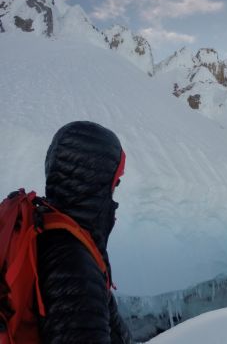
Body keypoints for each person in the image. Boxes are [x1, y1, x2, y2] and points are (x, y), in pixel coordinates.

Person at [37, 121, 132, 343]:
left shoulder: (46, 229)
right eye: (115, 183)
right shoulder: (74, 262)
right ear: (97, 182)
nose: (113, 194)